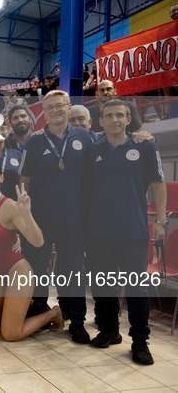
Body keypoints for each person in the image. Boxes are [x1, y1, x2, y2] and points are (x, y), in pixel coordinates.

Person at [85, 99, 167, 365]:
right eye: (109, 115)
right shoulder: (93, 148)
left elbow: (158, 183)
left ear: (128, 119)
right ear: (101, 121)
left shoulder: (145, 145)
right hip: (99, 231)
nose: (115, 120)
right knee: (103, 284)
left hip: (133, 230)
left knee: (136, 288)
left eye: (120, 115)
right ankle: (109, 330)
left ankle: (140, 341)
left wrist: (161, 220)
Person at [18, 90, 93, 344]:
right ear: (44, 112)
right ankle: (40, 312)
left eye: (60, 106)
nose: (55, 110)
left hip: (74, 218)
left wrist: (138, 133)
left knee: (72, 270)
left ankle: (76, 319)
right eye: (49, 107)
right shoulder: (35, 142)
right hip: (41, 218)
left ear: (69, 107)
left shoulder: (84, 137)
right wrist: (25, 213)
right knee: (38, 267)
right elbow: (25, 179)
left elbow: (109, 146)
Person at [0, 161, 64, 341]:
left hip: (17, 270)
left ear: (1, 178)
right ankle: (19, 310)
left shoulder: (10, 206)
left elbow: (38, 241)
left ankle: (53, 313)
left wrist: (26, 213)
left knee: (11, 334)